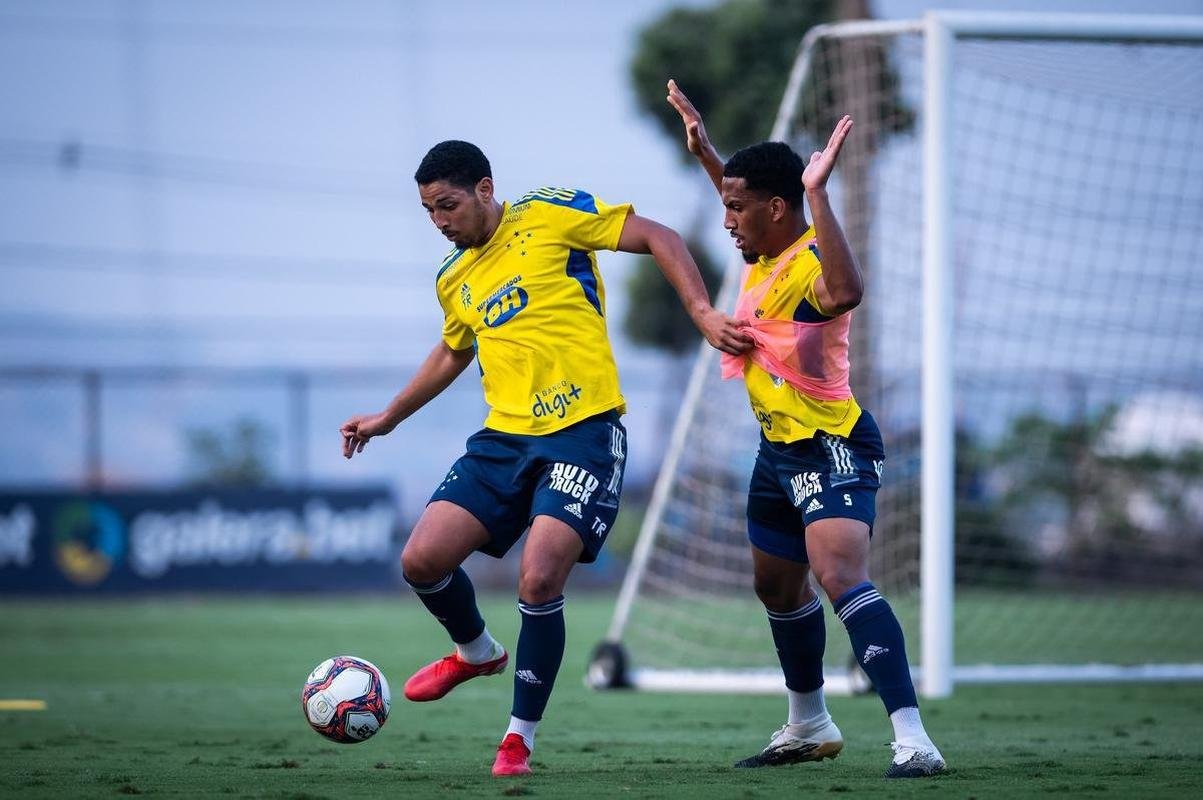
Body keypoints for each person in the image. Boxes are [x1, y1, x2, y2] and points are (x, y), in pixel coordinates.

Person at [340, 139, 750, 778]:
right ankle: (475, 651)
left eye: (447, 205)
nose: (440, 222)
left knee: (539, 578)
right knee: (420, 560)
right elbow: (454, 351)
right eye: (427, 211)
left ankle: (517, 739)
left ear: (484, 189)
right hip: (504, 440)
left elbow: (661, 236)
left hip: (583, 432)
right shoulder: (454, 276)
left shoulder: (551, 213)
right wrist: (389, 416)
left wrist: (700, 310)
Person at [666, 79, 946, 778]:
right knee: (776, 588)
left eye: (734, 207)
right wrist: (707, 154)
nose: (725, 219)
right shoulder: (765, 250)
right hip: (776, 452)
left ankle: (913, 739)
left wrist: (820, 193)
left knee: (838, 575)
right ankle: (807, 723)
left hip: (832, 447)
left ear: (779, 207)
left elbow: (848, 291)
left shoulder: (811, 265)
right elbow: (749, 208)